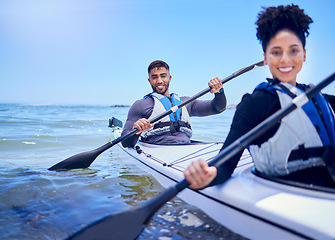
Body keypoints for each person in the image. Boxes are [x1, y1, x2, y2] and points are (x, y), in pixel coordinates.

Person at [184, 4, 335, 190]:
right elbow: (224, 166)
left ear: (304, 54)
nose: (285, 59)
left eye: (293, 51)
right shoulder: (255, 104)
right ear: (265, 58)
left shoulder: (324, 100)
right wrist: (208, 175)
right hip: (289, 197)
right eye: (276, 52)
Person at [121, 60, 227, 148]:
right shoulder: (140, 105)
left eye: (163, 76)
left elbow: (217, 108)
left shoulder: (186, 102)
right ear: (149, 80)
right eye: (154, 77)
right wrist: (136, 131)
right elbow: (125, 142)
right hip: (156, 150)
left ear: (169, 78)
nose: (159, 80)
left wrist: (219, 92)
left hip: (185, 148)